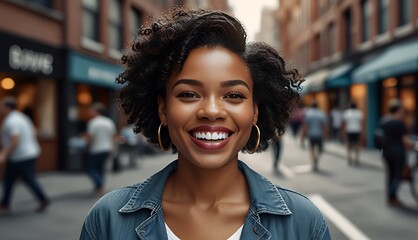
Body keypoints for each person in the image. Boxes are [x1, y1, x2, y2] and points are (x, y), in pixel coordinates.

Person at [80, 9, 330, 239]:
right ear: (163, 109)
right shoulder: (107, 221)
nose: (211, 111)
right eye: (188, 94)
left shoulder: (305, 224)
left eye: (234, 95)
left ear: (254, 111)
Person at [0, 96, 49, 212]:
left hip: (21, 156)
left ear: (7, 107)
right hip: (27, 153)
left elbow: (15, 139)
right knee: (9, 179)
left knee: (28, 178)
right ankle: (5, 203)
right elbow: (33, 130)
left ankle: (43, 199)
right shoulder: (22, 117)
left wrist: (4, 154)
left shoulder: (11, 121)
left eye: (1, 106)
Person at [380, 99, 412, 206]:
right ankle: (392, 195)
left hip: (386, 152)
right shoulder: (399, 123)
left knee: (390, 174)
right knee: (398, 176)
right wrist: (411, 146)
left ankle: (390, 197)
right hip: (398, 153)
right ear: (398, 110)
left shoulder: (384, 121)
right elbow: (405, 140)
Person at [84, 103, 116, 195]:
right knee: (101, 169)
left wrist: (87, 146)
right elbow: (113, 137)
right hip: (107, 148)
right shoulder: (109, 122)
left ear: (96, 112)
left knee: (91, 169)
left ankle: (100, 185)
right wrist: (113, 149)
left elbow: (90, 138)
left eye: (92, 111)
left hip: (96, 149)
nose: (90, 113)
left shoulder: (93, 122)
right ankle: (99, 187)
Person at [301, 101, 328, 171]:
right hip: (319, 134)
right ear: (317, 106)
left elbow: (305, 126)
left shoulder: (308, 114)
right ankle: (316, 159)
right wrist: (325, 134)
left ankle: (313, 160)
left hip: (311, 134)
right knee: (320, 149)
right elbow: (324, 126)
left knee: (312, 149)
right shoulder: (321, 114)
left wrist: (303, 136)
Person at [342, 101, 364, 166]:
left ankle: (349, 157)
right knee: (357, 144)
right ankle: (356, 158)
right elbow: (362, 123)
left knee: (348, 145)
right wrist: (363, 132)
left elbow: (345, 124)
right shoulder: (359, 113)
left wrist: (343, 132)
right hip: (357, 130)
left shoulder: (347, 113)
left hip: (349, 130)